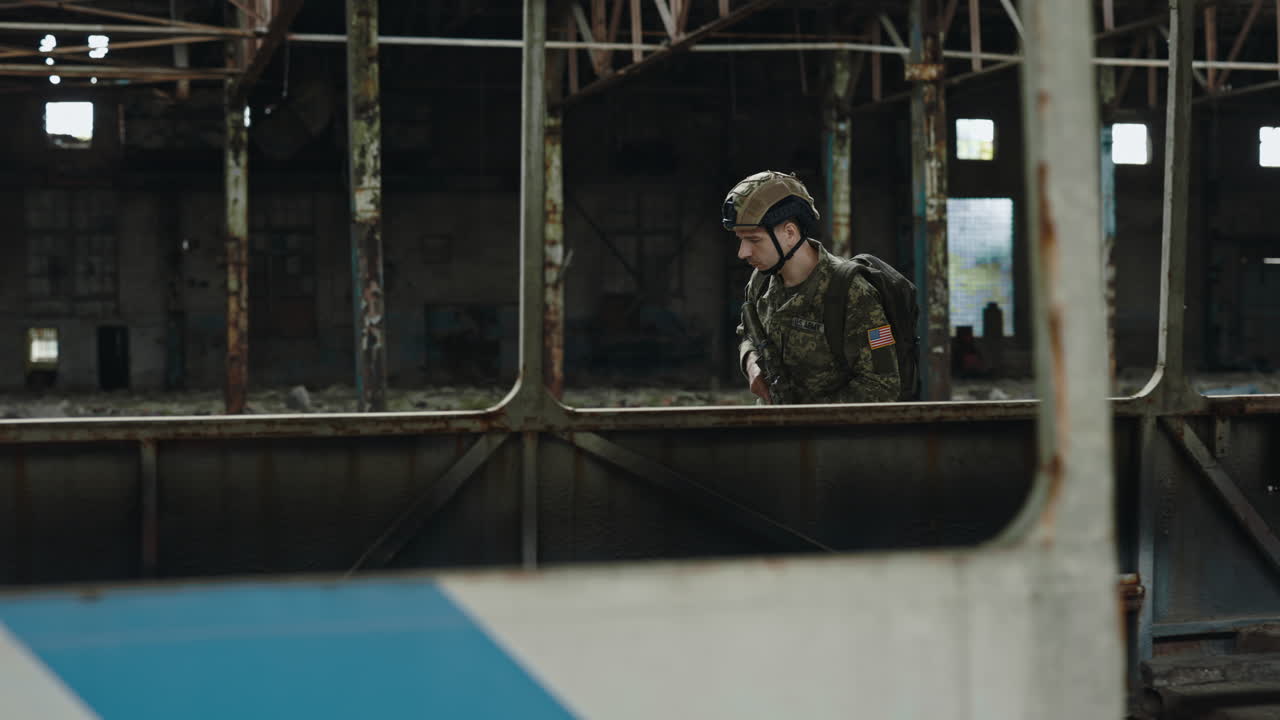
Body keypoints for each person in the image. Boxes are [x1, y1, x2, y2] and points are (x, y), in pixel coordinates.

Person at [725, 170, 899, 404]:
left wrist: (809, 416)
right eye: (740, 239)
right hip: (775, 428)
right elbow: (748, 332)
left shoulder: (853, 292)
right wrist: (751, 363)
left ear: (789, 233)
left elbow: (883, 385)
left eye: (754, 240)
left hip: (831, 436)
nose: (742, 252)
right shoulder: (761, 280)